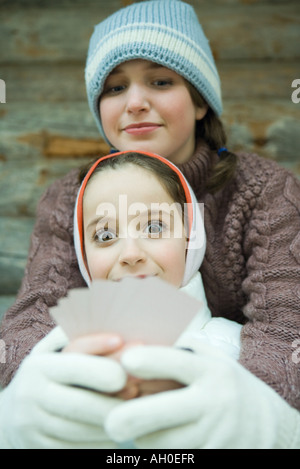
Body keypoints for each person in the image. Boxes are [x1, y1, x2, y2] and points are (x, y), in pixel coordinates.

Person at [0, 0, 299, 449]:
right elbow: (33, 316)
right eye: (115, 88)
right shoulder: (69, 197)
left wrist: (244, 411)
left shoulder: (263, 190)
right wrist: (44, 390)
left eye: (160, 81)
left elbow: (287, 324)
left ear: (200, 101)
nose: (136, 102)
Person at [69, 150, 242, 399]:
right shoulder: (60, 356)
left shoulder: (243, 351)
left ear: (190, 236)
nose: (131, 253)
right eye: (105, 236)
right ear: (83, 253)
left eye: (154, 227)